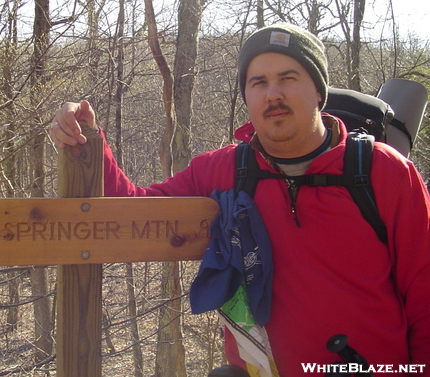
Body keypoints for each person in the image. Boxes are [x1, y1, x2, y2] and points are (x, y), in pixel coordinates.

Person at [49, 23, 430, 376]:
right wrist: (85, 140)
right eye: (258, 82)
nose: (273, 94)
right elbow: (131, 214)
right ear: (247, 95)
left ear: (318, 91)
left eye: (288, 78)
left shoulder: (383, 173)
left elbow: (425, 296)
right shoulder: (224, 170)